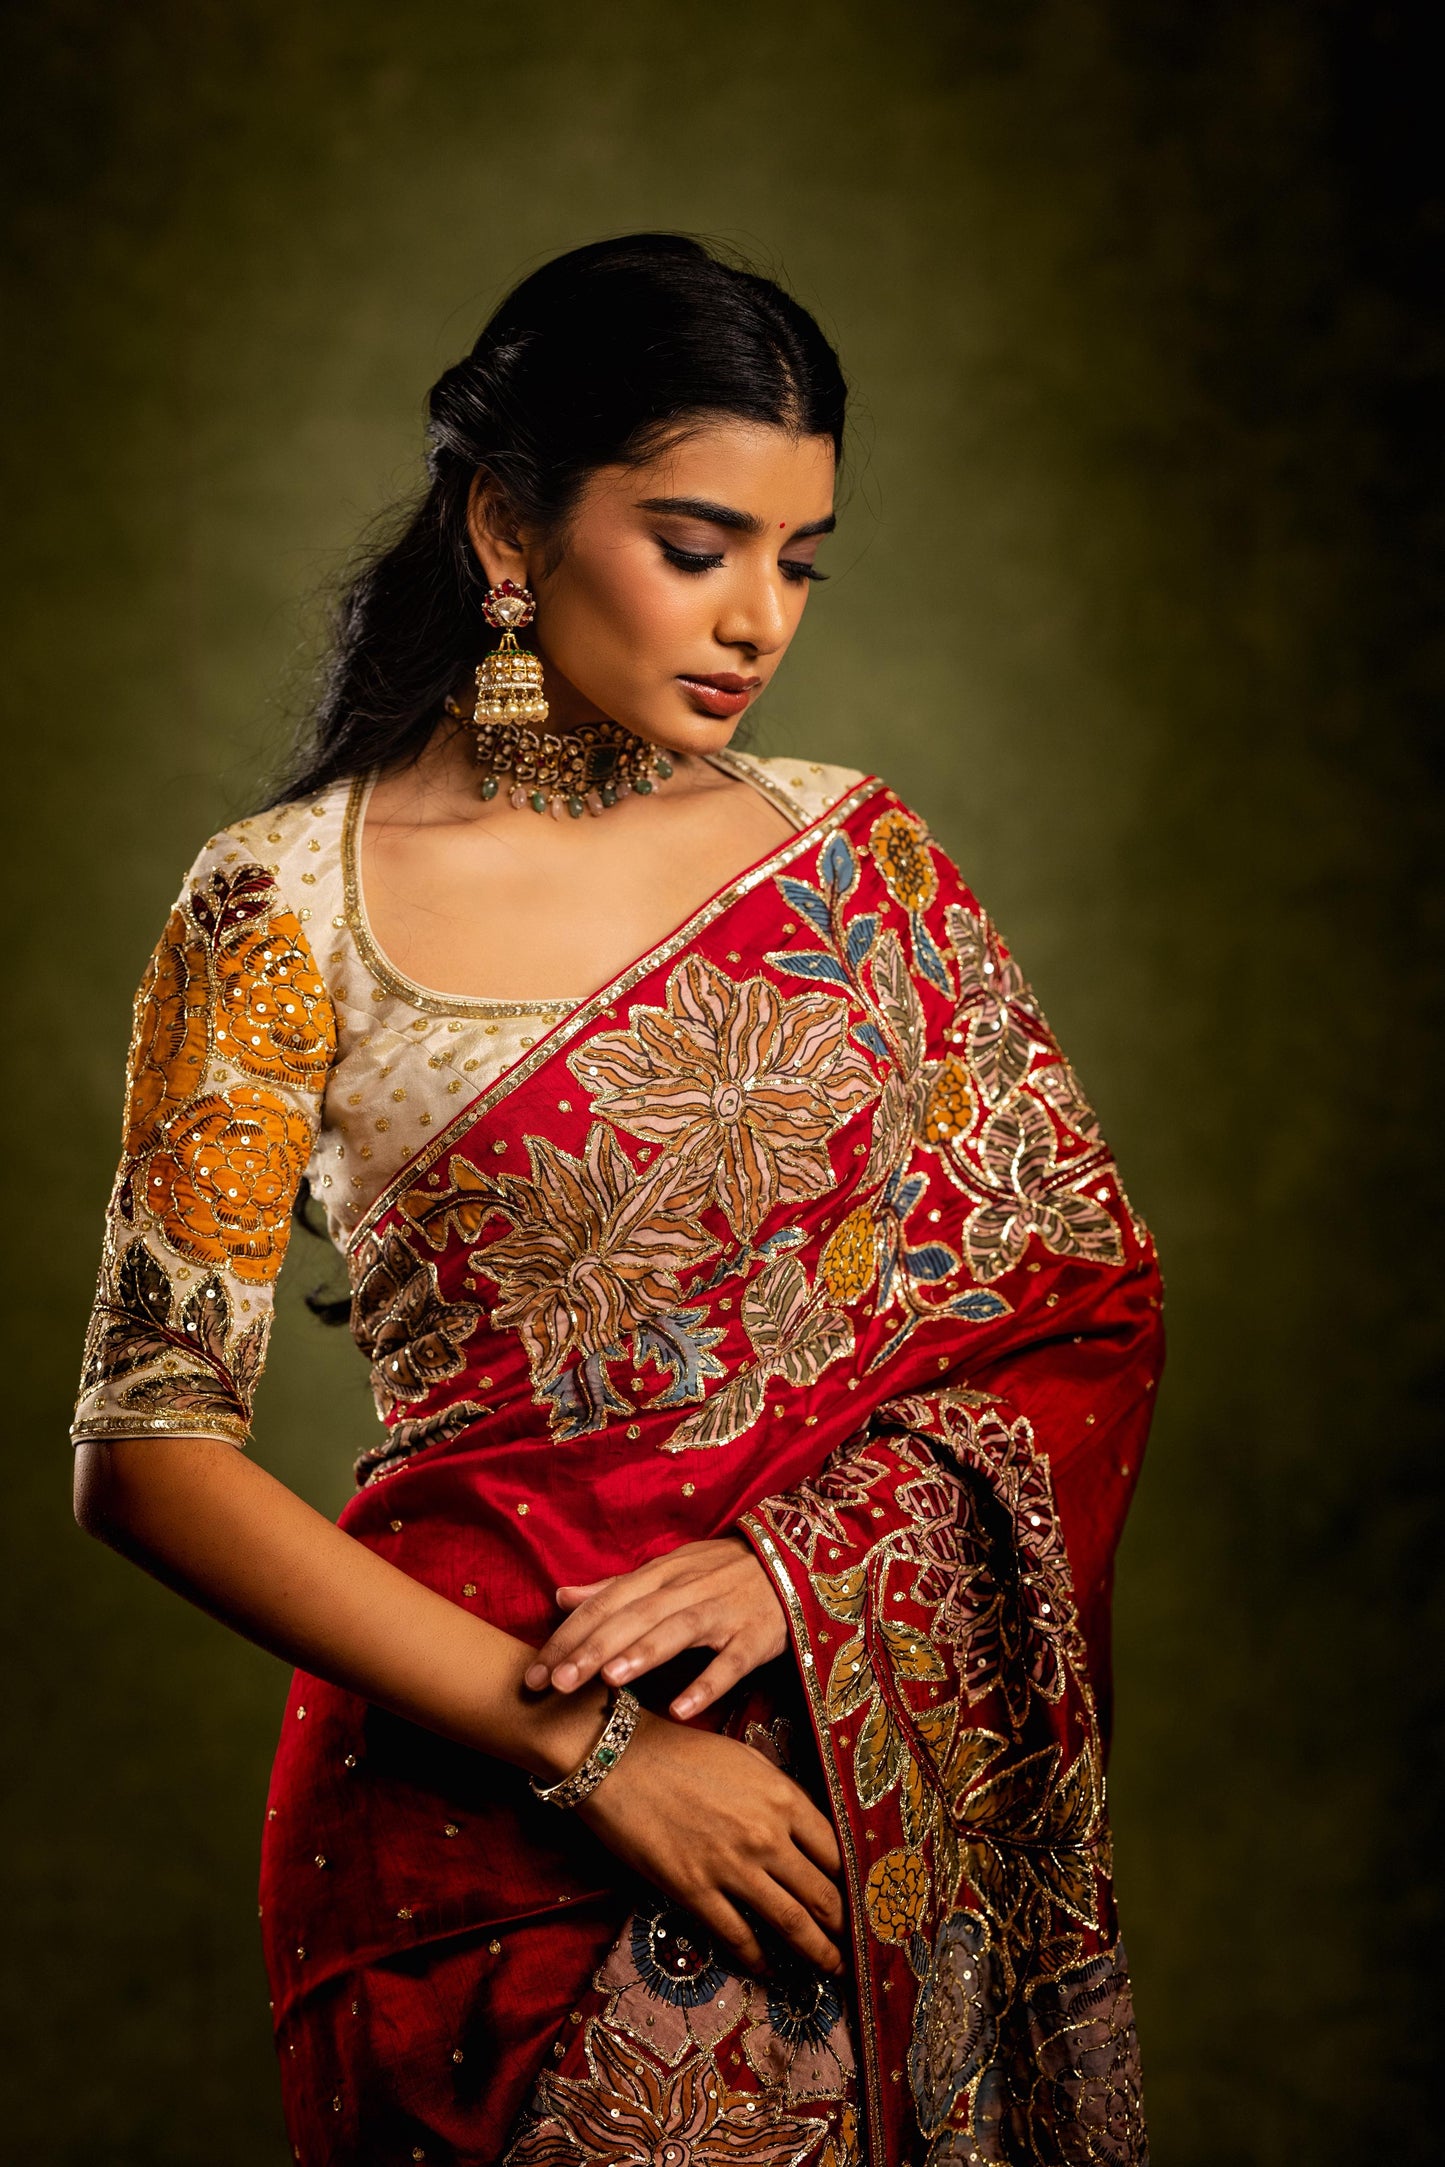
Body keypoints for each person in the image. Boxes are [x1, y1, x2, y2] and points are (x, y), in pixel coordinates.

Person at [72, 233, 1163, 2166]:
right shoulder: (280, 905)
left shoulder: (858, 866)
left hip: (842, 1792)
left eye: (798, 561)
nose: (757, 619)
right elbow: (148, 1450)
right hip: (472, 1838)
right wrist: (595, 1749)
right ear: (508, 526)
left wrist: (788, 1567)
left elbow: (1074, 1307)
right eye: (695, 543)